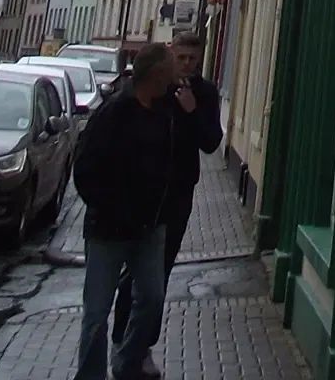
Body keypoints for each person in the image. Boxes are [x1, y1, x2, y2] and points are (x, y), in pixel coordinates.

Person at [110, 27, 222, 375]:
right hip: (143, 192)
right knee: (134, 274)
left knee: (159, 274)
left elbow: (211, 142)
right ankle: (121, 340)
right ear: (171, 53)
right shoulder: (156, 89)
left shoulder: (204, 93)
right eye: (181, 58)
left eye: (193, 59)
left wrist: (191, 111)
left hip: (178, 194)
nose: (186, 65)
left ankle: (143, 346)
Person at [71, 42, 175, 380]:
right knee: (97, 312)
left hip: (150, 227)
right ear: (156, 74)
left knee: (152, 298)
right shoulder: (114, 112)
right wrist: (109, 208)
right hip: (108, 230)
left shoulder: (164, 110)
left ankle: (127, 361)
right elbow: (85, 169)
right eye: (171, 68)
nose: (176, 74)